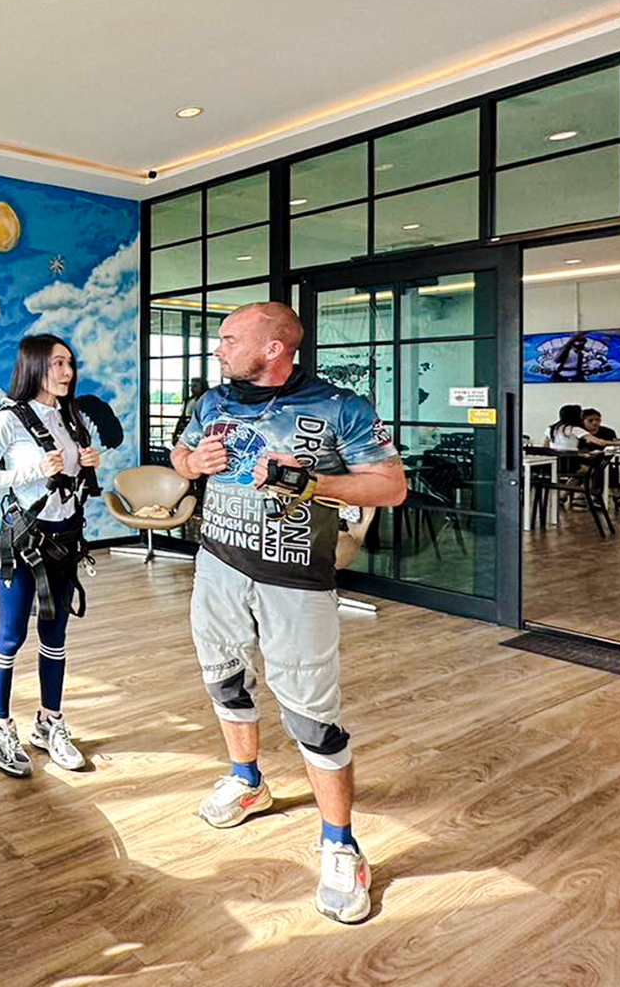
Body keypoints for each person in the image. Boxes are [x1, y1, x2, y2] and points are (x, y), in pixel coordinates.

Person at [170, 302, 408, 925]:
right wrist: (194, 464)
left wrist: (309, 483)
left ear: (274, 347)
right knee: (223, 678)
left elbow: (390, 487)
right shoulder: (211, 402)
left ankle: (340, 845)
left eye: (228, 338)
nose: (218, 349)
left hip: (295, 580)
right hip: (217, 565)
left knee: (311, 714)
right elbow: (180, 456)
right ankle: (247, 779)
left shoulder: (342, 408)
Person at [0, 335, 101, 776]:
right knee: (10, 637)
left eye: (69, 364)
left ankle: (49, 722)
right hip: (23, 543)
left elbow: (72, 483)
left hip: (65, 541)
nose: (66, 373)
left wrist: (87, 464)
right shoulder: (9, 418)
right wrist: (32, 469)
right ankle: (0, 727)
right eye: (56, 364)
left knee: (55, 636)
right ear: (34, 367)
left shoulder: (72, 416)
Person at [171, 376, 210, 444]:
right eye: (191, 386)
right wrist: (176, 433)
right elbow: (182, 417)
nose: (192, 389)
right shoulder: (188, 401)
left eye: (195, 386)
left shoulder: (208, 402)